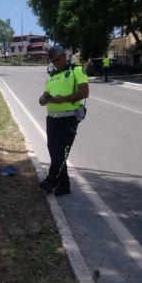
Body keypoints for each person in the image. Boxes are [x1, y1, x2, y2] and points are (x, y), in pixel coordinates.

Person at [38, 45, 89, 196]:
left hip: (69, 118)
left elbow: (84, 92)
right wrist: (43, 99)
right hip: (52, 119)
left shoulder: (76, 70)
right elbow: (43, 99)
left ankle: (51, 179)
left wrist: (63, 100)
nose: (55, 63)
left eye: (57, 59)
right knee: (54, 152)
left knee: (61, 151)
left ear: (64, 56)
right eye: (52, 61)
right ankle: (64, 185)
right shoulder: (51, 77)